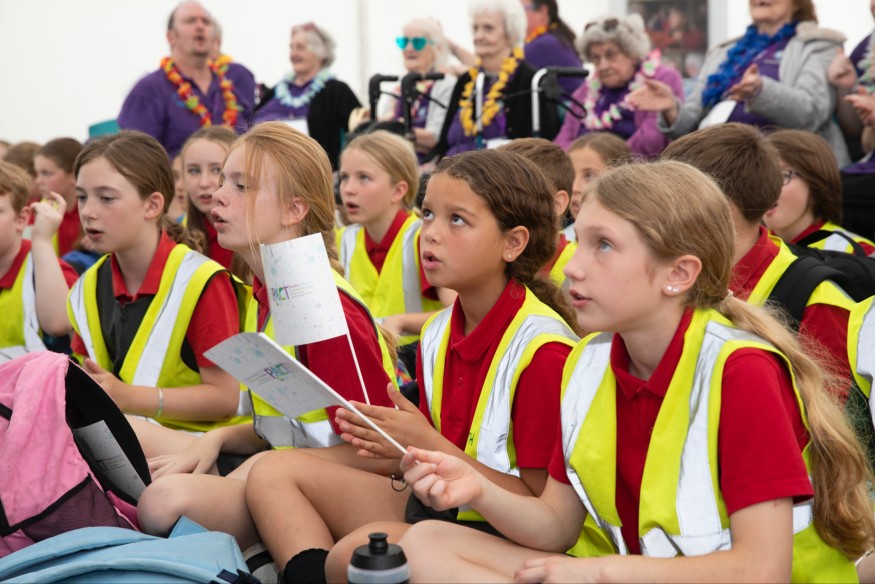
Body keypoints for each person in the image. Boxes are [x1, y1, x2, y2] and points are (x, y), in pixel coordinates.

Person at [392, 160, 875, 582]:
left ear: (678, 274)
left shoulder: (740, 370)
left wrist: (599, 572)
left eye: (603, 246)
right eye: (578, 242)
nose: (574, 268)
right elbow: (557, 526)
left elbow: (760, 571)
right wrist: (478, 487)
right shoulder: (588, 361)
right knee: (428, 542)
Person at [244, 149, 580, 584]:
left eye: (456, 219)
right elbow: (433, 457)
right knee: (269, 472)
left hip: (507, 531)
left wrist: (427, 443)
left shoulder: (542, 353)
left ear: (513, 243)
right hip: (446, 505)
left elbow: (543, 512)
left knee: (352, 552)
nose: (430, 234)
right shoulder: (438, 331)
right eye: (427, 215)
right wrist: (399, 446)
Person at [136, 122, 398, 569]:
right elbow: (289, 425)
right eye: (222, 181)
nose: (218, 195)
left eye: (241, 186)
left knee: (161, 501)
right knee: (130, 429)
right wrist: (217, 438)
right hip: (286, 469)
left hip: (346, 488)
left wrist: (257, 474)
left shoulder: (319, 307)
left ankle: (266, 556)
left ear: (295, 209)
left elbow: (380, 451)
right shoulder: (270, 291)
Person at [66, 131, 244, 457]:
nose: (88, 211)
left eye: (106, 198)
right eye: (81, 197)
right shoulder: (83, 289)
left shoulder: (202, 281)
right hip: (123, 448)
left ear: (152, 205)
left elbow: (225, 399)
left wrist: (130, 397)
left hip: (202, 452)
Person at [662, 123, 857, 401]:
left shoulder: (818, 301)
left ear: (719, 206)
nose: (658, 213)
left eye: (674, 199)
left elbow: (825, 427)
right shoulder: (673, 271)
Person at [628, 0, 851, 166]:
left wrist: (760, 91)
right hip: (712, 156)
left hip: (779, 161)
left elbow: (811, 113)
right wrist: (671, 107)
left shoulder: (817, 44)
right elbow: (688, 126)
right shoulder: (724, 51)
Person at [337, 131, 453, 346]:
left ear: (398, 191)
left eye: (364, 177)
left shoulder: (423, 238)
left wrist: (401, 321)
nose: (348, 189)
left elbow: (460, 313)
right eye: (344, 177)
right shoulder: (340, 240)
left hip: (414, 371)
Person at [117, 1, 254, 158]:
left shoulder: (231, 88)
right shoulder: (148, 90)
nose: (200, 26)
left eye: (206, 21)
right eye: (190, 21)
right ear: (171, 37)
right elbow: (134, 159)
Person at [435, 0, 560, 158]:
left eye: (488, 28)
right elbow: (442, 146)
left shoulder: (531, 81)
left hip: (500, 177)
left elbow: (543, 149)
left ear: (510, 34)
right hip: (451, 171)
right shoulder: (466, 81)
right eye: (475, 28)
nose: (479, 36)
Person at [553, 14, 683, 157]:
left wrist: (606, 164)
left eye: (611, 55)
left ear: (633, 54)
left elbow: (652, 141)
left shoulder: (660, 80)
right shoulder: (586, 92)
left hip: (637, 172)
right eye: (596, 58)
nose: (603, 66)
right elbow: (563, 140)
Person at [251, 22, 363, 170]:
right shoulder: (277, 90)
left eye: (300, 47)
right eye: (291, 47)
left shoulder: (336, 90)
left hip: (310, 172)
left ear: (321, 53)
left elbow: (361, 131)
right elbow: (250, 119)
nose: (293, 54)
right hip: (262, 166)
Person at [0, 161, 77, 356]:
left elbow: (59, 324)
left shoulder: (47, 270)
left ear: (22, 219)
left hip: (34, 385)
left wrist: (41, 240)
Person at [764, 129, 875, 255]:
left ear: (816, 184)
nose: (767, 186)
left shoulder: (856, 251)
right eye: (761, 176)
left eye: (783, 175)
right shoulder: (746, 247)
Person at [496, 138, 574, 288]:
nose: (501, 207)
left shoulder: (581, 267)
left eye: (516, 195)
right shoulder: (495, 257)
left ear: (556, 204)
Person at [377, 17, 458, 163]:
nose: (408, 48)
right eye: (403, 42)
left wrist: (394, 129)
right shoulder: (398, 87)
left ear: (436, 48)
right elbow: (386, 121)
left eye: (417, 42)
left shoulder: (445, 83)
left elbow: (435, 137)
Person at [178, 126, 246, 276]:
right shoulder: (176, 239)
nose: (204, 183)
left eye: (216, 170)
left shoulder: (261, 233)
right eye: (193, 171)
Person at [564, 132, 632, 241]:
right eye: (571, 175)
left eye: (589, 176)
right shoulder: (561, 242)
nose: (574, 187)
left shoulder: (634, 241)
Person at [33, 138, 85, 257]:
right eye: (37, 173)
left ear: (74, 175)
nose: (38, 181)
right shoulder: (38, 210)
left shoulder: (93, 212)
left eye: (46, 173)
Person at [520, 0, 583, 96]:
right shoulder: (556, 36)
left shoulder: (542, 44)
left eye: (521, 10)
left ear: (542, 12)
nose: (516, 16)